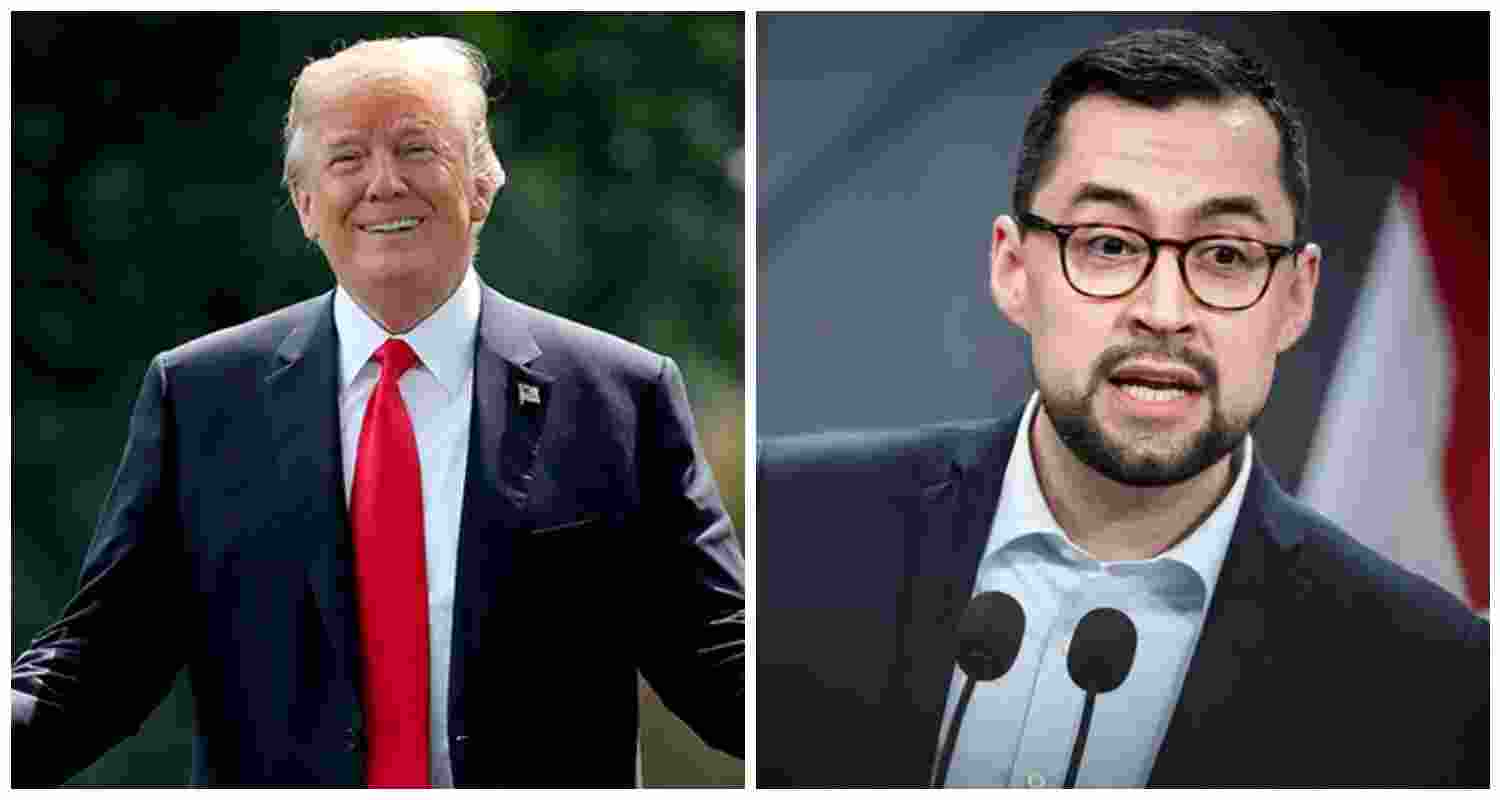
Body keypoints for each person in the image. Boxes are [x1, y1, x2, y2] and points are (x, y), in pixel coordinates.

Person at [758, 29, 1485, 788]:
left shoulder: (1436, 675)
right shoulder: (787, 527)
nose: (1164, 312)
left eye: (1225, 255)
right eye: (1108, 245)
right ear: (1013, 270)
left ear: (1296, 297)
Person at [12, 35, 744, 788]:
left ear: (483, 181)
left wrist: (854, 686)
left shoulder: (620, 398)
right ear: (304, 205)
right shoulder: (198, 399)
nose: (384, 183)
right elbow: (98, 663)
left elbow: (721, 664)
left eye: (417, 147)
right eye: (346, 159)